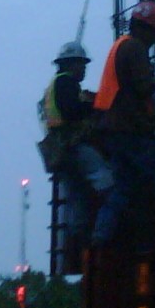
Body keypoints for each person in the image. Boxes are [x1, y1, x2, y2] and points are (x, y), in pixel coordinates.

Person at [89, 1, 155, 249]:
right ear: (145, 28)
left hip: (115, 132)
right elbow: (143, 87)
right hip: (134, 131)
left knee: (121, 189)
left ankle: (101, 236)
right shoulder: (135, 48)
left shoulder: (119, 46)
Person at [39, 41, 115, 241]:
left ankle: (80, 241)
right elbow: (71, 111)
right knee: (109, 185)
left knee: (78, 197)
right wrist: (95, 106)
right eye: (81, 64)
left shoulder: (55, 85)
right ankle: (101, 235)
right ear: (70, 64)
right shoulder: (66, 82)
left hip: (62, 151)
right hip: (72, 146)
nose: (84, 69)